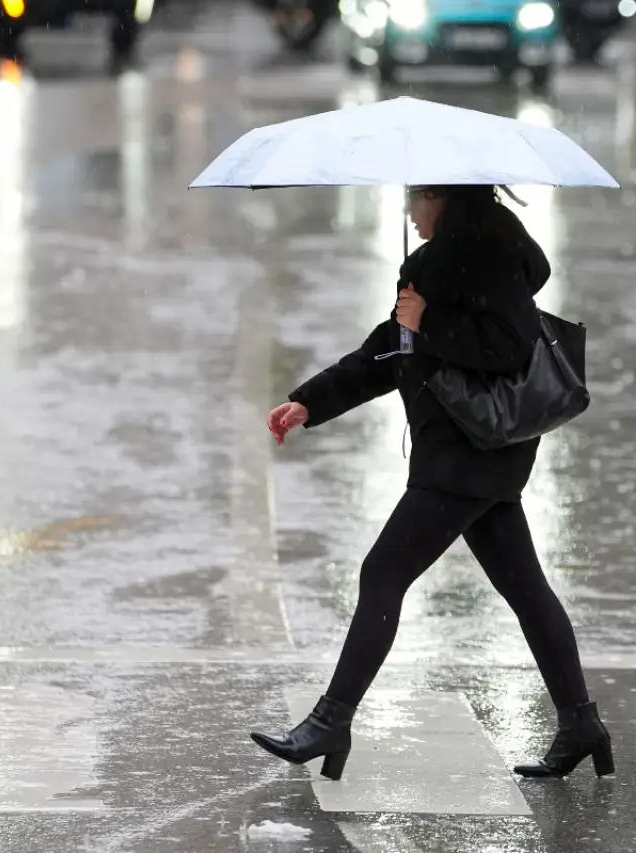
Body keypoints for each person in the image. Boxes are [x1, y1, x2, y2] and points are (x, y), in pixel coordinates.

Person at [250, 184, 613, 782]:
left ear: (445, 200)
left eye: (417, 198)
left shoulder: (484, 254)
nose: (409, 210)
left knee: (383, 572)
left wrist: (429, 321)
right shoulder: (449, 260)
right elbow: (390, 349)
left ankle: (330, 721)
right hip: (478, 454)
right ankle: (581, 724)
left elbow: (507, 346)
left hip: (465, 455)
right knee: (524, 589)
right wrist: (309, 404)